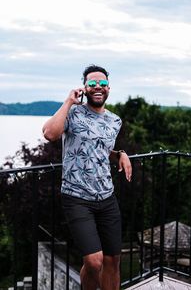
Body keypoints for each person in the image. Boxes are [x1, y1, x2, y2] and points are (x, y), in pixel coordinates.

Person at [42, 64, 132, 290]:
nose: (97, 87)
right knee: (94, 262)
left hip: (107, 197)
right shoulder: (73, 113)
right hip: (77, 198)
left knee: (113, 260)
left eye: (102, 83)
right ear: (84, 88)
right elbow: (49, 134)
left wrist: (119, 154)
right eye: (92, 83)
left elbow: (98, 148)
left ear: (109, 88)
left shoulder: (115, 121)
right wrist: (69, 101)